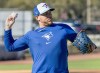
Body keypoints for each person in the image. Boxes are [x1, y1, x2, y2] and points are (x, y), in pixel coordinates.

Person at [4, 3, 77, 73]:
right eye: (45, 14)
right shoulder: (31, 35)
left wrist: (87, 45)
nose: (49, 15)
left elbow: (84, 44)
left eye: (49, 12)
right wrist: (8, 27)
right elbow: (10, 47)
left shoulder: (63, 28)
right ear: (37, 17)